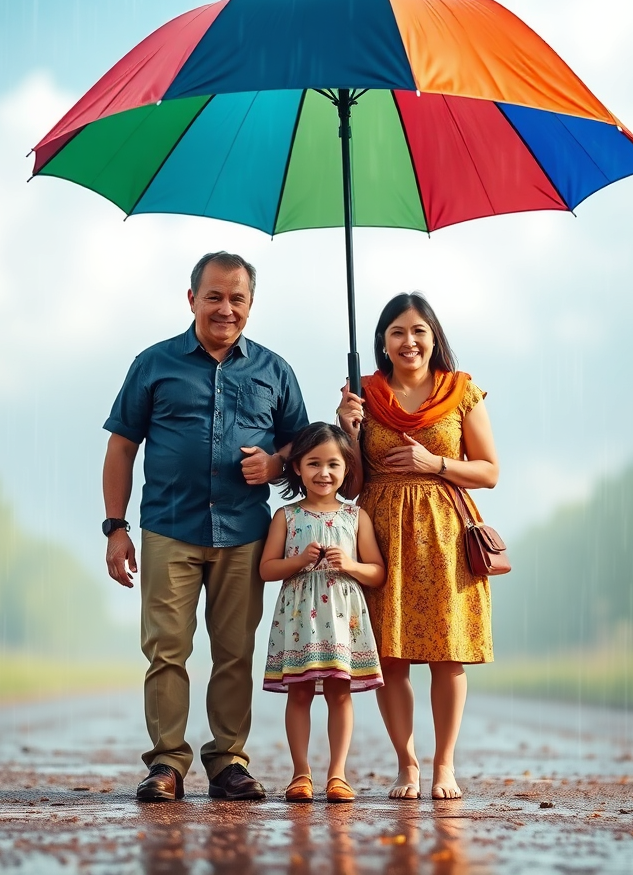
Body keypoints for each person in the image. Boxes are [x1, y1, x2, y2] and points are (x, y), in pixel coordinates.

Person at [102, 251, 308, 803]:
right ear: (192, 298)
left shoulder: (275, 371)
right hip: (169, 527)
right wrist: (116, 527)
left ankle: (229, 763)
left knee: (235, 651)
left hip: (245, 533)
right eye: (214, 296)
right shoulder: (153, 364)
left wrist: (276, 464)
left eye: (237, 298)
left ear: (251, 304)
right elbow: (122, 447)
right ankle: (166, 763)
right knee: (166, 649)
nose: (225, 308)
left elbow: (302, 446)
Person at [336, 292, 499, 801]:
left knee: (448, 654)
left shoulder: (460, 391)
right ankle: (406, 765)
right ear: (383, 342)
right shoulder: (362, 394)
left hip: (446, 535)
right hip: (380, 532)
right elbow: (348, 485)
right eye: (397, 332)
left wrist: (436, 464)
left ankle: (444, 765)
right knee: (391, 657)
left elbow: (489, 471)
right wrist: (347, 432)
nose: (409, 341)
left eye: (418, 331)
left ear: (433, 337)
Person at [259, 422, 385, 804]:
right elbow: (266, 569)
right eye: (313, 463)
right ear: (297, 467)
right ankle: (300, 773)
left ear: (347, 467)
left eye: (333, 464)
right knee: (298, 694)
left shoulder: (356, 517)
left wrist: (351, 564)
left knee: (339, 694)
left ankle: (337, 775)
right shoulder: (286, 516)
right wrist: (298, 561)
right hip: (300, 618)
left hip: (342, 621)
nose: (323, 473)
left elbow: (377, 572)